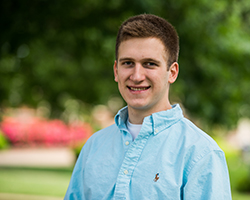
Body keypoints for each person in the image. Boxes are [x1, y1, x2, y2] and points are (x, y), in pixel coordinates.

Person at [64, 14, 232, 200]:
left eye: (149, 64)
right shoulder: (94, 147)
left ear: (172, 73)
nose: (136, 76)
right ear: (116, 71)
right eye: (128, 63)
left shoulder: (200, 153)